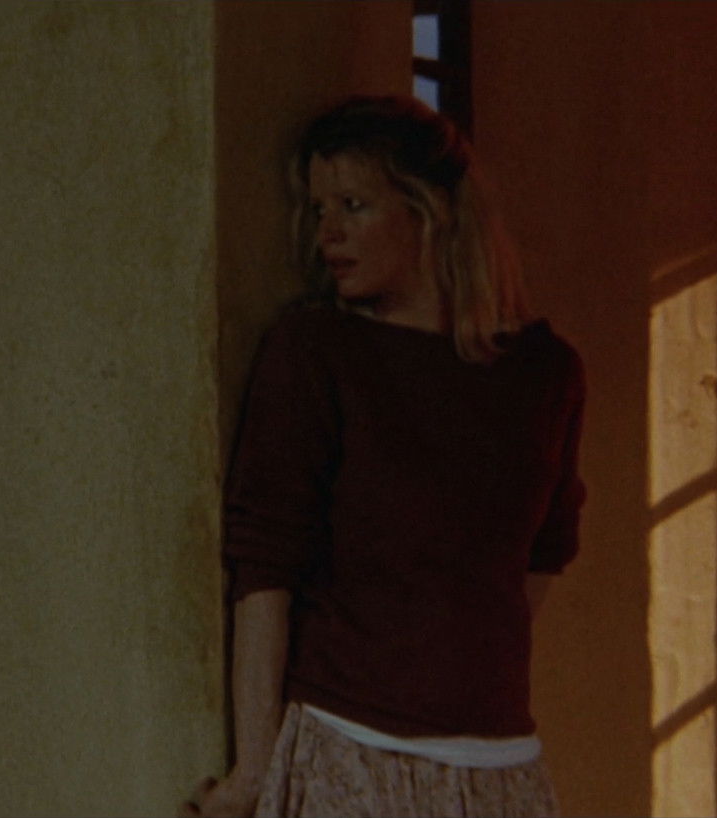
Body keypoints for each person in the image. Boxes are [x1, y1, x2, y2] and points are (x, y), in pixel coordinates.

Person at [181, 95, 586, 818]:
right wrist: (253, 773)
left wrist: (458, 664)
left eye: (354, 206)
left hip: (500, 762)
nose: (328, 233)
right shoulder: (317, 353)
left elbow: (540, 557)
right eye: (318, 210)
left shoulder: (544, 372)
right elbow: (264, 572)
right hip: (350, 749)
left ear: (430, 212)